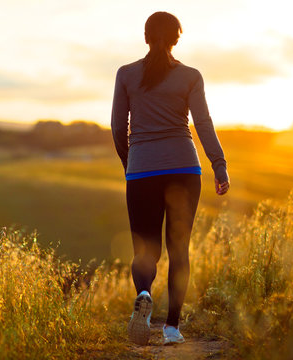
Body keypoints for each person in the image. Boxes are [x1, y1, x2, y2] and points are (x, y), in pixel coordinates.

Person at [111, 11, 230, 346]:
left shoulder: (125, 75)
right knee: (180, 250)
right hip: (184, 169)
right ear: (177, 38)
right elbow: (203, 123)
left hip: (141, 171)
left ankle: (144, 293)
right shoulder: (190, 76)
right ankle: (172, 328)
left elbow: (119, 127)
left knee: (145, 250)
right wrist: (219, 164)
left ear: (146, 37)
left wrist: (130, 162)